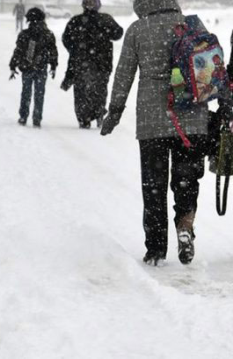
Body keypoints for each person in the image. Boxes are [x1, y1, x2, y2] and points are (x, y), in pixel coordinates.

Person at [101, 0, 218, 266]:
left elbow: (124, 74)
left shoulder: (138, 29)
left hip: (153, 120)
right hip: (191, 117)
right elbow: (209, 69)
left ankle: (155, 249)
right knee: (186, 179)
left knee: (154, 186)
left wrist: (115, 111)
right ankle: (185, 224)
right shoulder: (190, 24)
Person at [62, 0, 123, 129]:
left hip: (81, 63)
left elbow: (66, 39)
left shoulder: (76, 21)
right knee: (99, 91)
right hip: (102, 63)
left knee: (81, 92)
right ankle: (98, 113)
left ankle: (84, 118)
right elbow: (118, 33)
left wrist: (75, 49)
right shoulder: (105, 19)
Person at [9, 7, 58, 128]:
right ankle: (37, 118)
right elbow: (53, 51)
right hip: (41, 68)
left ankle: (23, 116)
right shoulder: (48, 34)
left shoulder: (25, 34)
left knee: (26, 92)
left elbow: (18, 51)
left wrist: (13, 65)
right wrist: (53, 65)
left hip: (27, 67)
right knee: (39, 94)